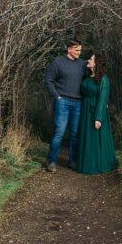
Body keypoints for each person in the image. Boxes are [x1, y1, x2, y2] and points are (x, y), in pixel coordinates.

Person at [43, 39, 88, 171]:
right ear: (69, 49)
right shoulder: (58, 62)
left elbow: (94, 74)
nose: (79, 52)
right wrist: (57, 96)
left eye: (80, 50)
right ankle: (52, 161)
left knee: (75, 134)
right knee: (59, 132)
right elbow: (48, 80)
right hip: (62, 102)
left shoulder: (82, 64)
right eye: (76, 50)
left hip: (78, 103)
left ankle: (72, 161)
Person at [76, 52, 117, 174]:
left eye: (91, 59)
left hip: (96, 110)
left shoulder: (103, 79)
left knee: (95, 137)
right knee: (87, 136)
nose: (88, 60)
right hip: (85, 109)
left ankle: (96, 165)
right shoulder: (88, 77)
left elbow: (103, 99)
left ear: (97, 63)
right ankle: (86, 164)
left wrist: (98, 118)